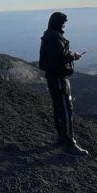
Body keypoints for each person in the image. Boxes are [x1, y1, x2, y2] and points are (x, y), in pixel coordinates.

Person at [38, 11, 88, 155]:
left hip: (55, 76)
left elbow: (57, 53)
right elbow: (62, 55)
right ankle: (68, 142)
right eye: (63, 22)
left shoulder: (51, 35)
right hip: (59, 77)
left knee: (60, 107)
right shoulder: (53, 37)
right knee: (66, 108)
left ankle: (62, 137)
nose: (64, 24)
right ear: (57, 23)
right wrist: (74, 56)